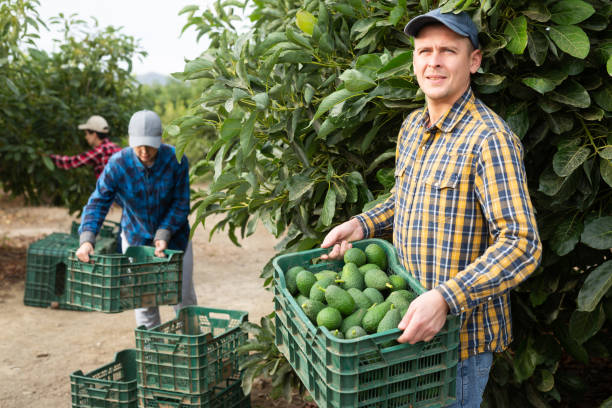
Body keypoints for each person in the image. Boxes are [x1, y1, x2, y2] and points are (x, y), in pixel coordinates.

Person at [320, 8, 542, 408]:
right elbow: (406, 198)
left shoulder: (488, 139)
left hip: (455, 350)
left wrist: (446, 298)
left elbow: (522, 243)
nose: (433, 61)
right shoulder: (412, 127)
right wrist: (361, 224)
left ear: (473, 61)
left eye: (447, 51)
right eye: (424, 51)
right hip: (403, 330)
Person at [74, 110, 197, 329]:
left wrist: (163, 234)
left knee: (183, 299)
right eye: (138, 145)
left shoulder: (176, 160)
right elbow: (98, 202)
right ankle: (151, 353)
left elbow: (181, 203)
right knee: (144, 301)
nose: (144, 151)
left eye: (149, 145)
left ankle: (190, 349)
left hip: (175, 240)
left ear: (160, 140)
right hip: (136, 238)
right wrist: (87, 239)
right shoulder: (118, 164)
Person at [49, 115, 122, 179]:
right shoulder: (117, 148)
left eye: (87, 134)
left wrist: (50, 157)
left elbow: (72, 162)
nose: (86, 137)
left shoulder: (100, 151)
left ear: (94, 134)